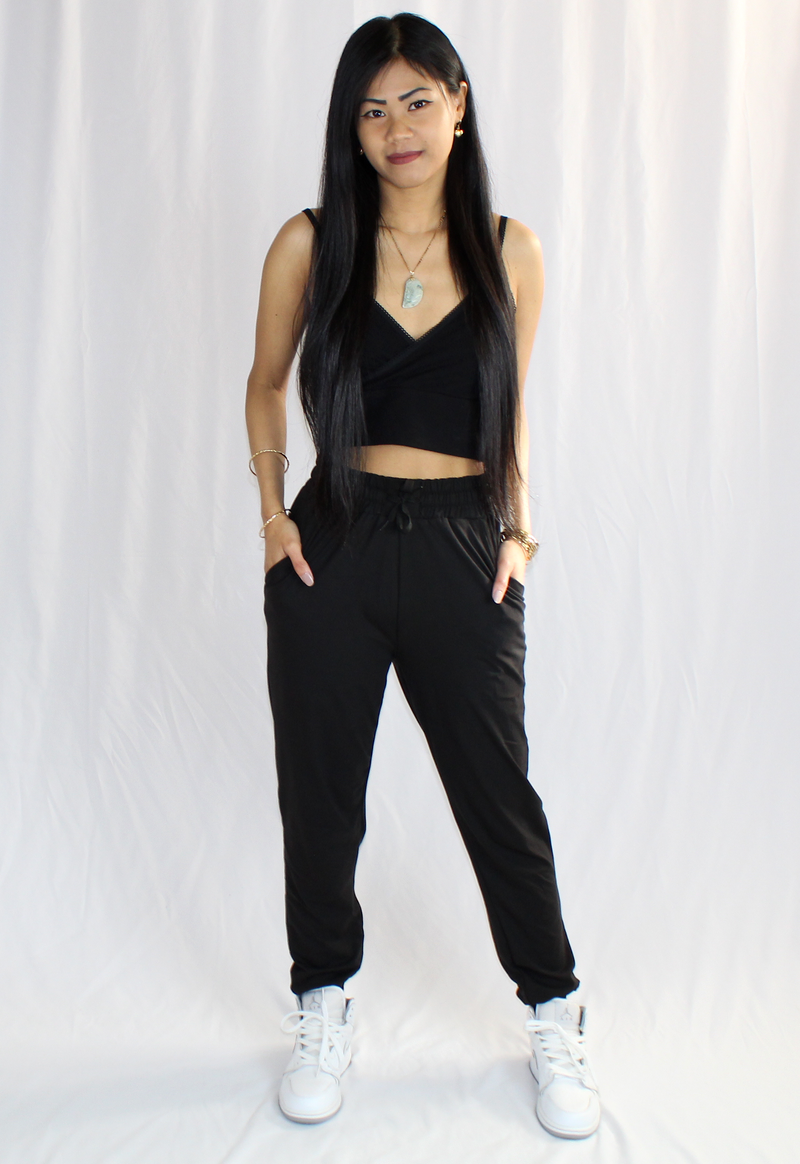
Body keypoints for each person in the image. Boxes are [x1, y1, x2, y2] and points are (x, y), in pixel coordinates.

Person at [245, 12, 600, 1141]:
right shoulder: (311, 244)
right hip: (333, 543)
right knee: (320, 796)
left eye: (415, 100)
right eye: (371, 109)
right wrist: (271, 517)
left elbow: (511, 410)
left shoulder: (510, 248)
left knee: (500, 799)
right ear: (349, 130)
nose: (395, 127)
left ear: (457, 105)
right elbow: (263, 383)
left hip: (463, 545)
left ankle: (554, 1012)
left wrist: (519, 533)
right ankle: (323, 1001)